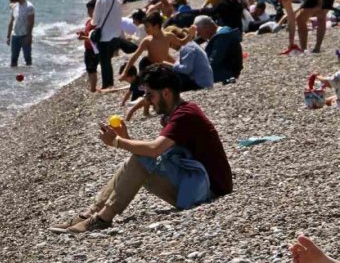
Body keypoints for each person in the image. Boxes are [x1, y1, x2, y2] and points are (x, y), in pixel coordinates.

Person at [50, 64, 232, 233]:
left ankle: (103, 218)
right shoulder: (177, 113)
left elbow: (154, 150)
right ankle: (90, 214)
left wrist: (117, 142)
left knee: (140, 158)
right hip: (193, 183)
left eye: (149, 95)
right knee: (137, 159)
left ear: (166, 93)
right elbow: (155, 152)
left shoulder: (185, 115)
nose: (146, 101)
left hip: (207, 190)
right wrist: (125, 138)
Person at [272, 0, 337, 53]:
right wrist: (291, 43)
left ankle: (317, 47)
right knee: (300, 19)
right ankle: (303, 49)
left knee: (321, 16)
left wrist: (319, 4)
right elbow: (291, 20)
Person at [120, 12, 196, 78]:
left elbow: (182, 42)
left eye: (147, 26)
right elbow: (135, 56)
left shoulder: (169, 36)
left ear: (156, 27)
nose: (145, 29)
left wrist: (190, 34)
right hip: (148, 65)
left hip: (163, 65)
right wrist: (125, 72)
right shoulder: (147, 40)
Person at [92, 0, 124, 91]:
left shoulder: (101, 0)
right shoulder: (117, 1)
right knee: (107, 61)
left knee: (104, 61)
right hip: (115, 36)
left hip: (104, 36)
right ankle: (109, 84)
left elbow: (95, 21)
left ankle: (107, 85)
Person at [193, 15, 243, 84]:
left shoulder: (222, 37)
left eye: (199, 32)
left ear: (207, 27)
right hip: (225, 71)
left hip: (224, 73)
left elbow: (214, 62)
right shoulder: (222, 32)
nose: (198, 34)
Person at [6, 0, 35, 66]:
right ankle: (12, 76)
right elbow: (11, 21)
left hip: (25, 36)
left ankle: (30, 75)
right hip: (15, 36)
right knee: (13, 59)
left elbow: (31, 22)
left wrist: (29, 35)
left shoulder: (29, 7)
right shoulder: (15, 6)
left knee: (27, 58)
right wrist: (8, 36)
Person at [77, 0, 100, 92]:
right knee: (89, 68)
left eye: (90, 10)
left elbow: (96, 38)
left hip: (93, 49)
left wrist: (84, 38)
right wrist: (83, 33)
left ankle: (93, 89)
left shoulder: (97, 22)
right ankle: (92, 87)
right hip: (88, 49)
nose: (88, 12)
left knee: (92, 69)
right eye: (88, 10)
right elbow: (88, 34)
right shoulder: (89, 21)